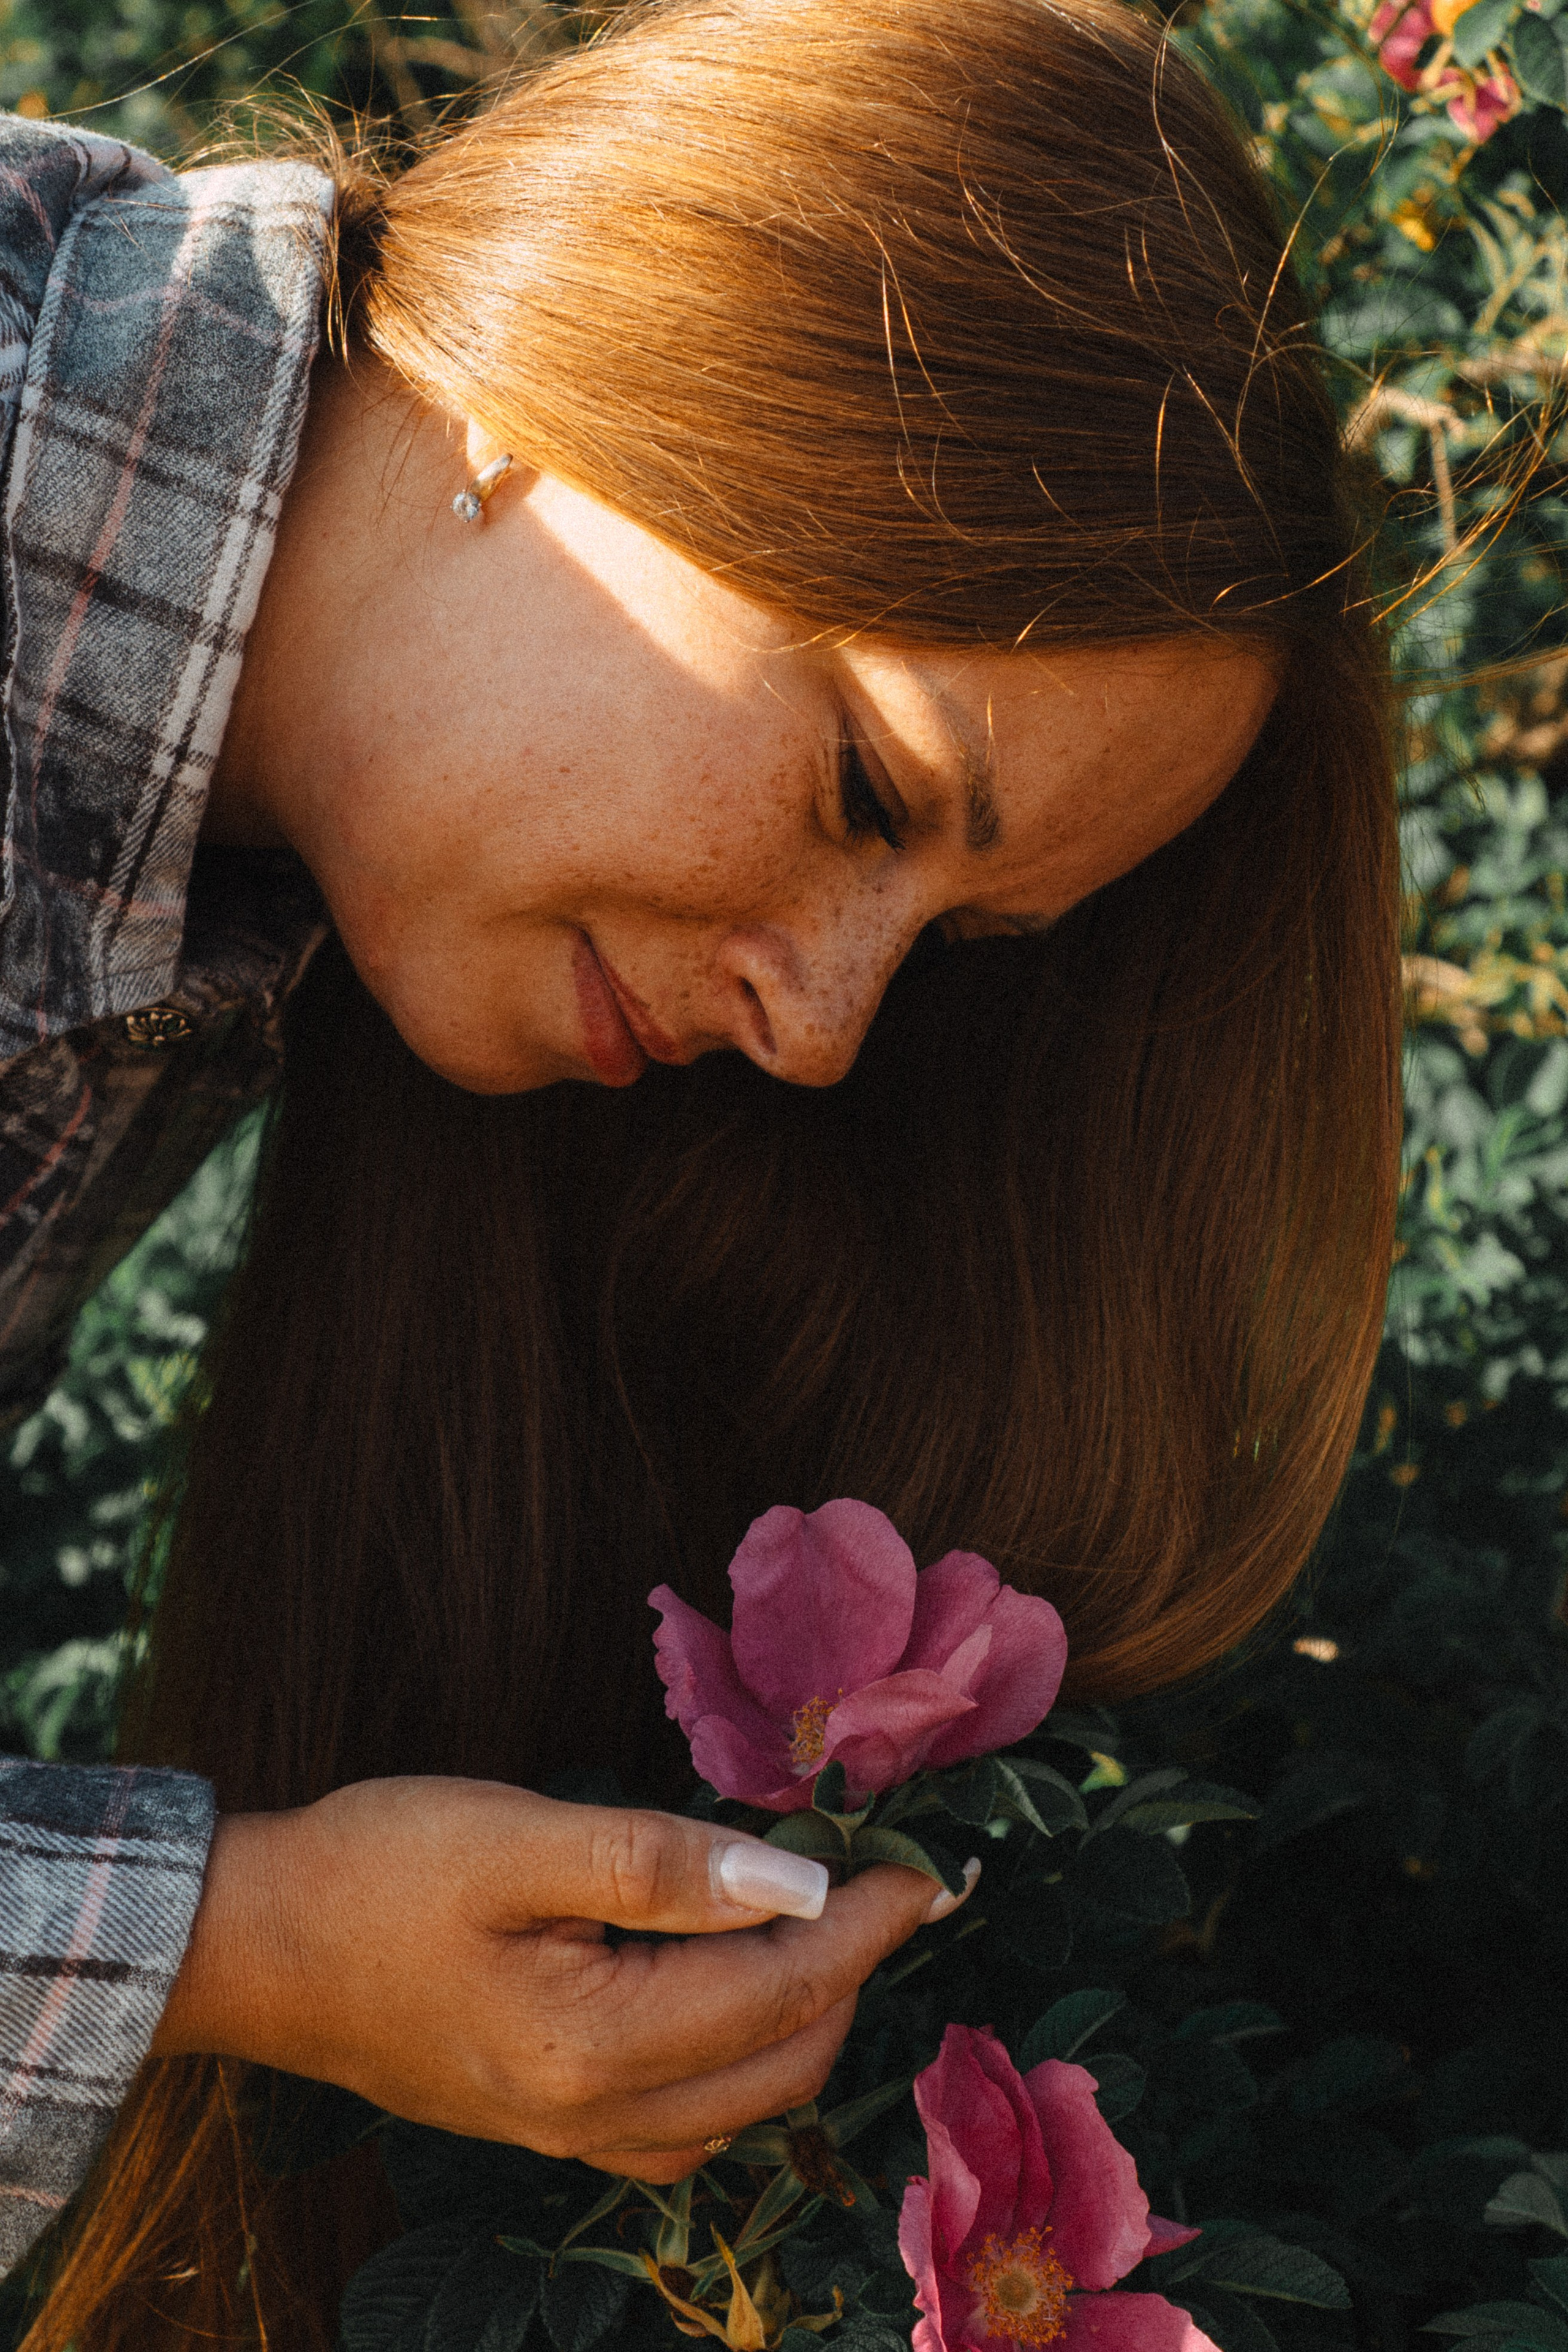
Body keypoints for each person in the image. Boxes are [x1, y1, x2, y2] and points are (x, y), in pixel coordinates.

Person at [0, 0, 1401, 2340]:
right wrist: (233, 1945)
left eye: (949, 945)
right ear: (601, 369)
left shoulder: (218, 871)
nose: (825, 1027)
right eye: (867, 788)